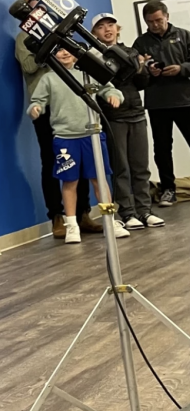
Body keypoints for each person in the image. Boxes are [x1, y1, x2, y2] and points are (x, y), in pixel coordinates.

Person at [27, 48, 126, 244]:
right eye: (59, 51)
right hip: (65, 138)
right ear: (52, 55)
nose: (64, 53)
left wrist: (113, 95)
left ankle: (109, 220)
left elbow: (109, 88)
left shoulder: (87, 75)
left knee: (99, 180)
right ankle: (71, 225)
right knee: (69, 181)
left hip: (93, 135)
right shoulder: (49, 79)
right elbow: (37, 101)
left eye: (68, 50)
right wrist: (35, 108)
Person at [16, 32, 101, 238]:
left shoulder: (65, 32)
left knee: (82, 161)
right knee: (52, 161)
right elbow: (28, 66)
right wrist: (48, 50)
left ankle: (82, 213)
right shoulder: (24, 37)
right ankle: (57, 216)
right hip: (46, 107)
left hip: (74, 107)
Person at [90, 13, 164, 229]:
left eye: (111, 25)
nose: (107, 30)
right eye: (101, 27)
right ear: (95, 32)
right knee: (121, 167)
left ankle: (145, 211)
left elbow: (141, 83)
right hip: (114, 118)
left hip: (137, 114)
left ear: (117, 28)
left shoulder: (131, 51)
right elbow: (103, 86)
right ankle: (127, 213)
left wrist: (143, 69)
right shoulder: (94, 56)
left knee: (141, 166)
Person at [133, 1, 190, 207]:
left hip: (185, 100)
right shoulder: (140, 43)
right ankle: (168, 189)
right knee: (163, 149)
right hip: (157, 103)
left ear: (167, 16)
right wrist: (149, 71)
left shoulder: (184, 35)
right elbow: (137, 74)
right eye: (150, 22)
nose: (155, 25)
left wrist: (181, 68)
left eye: (159, 20)